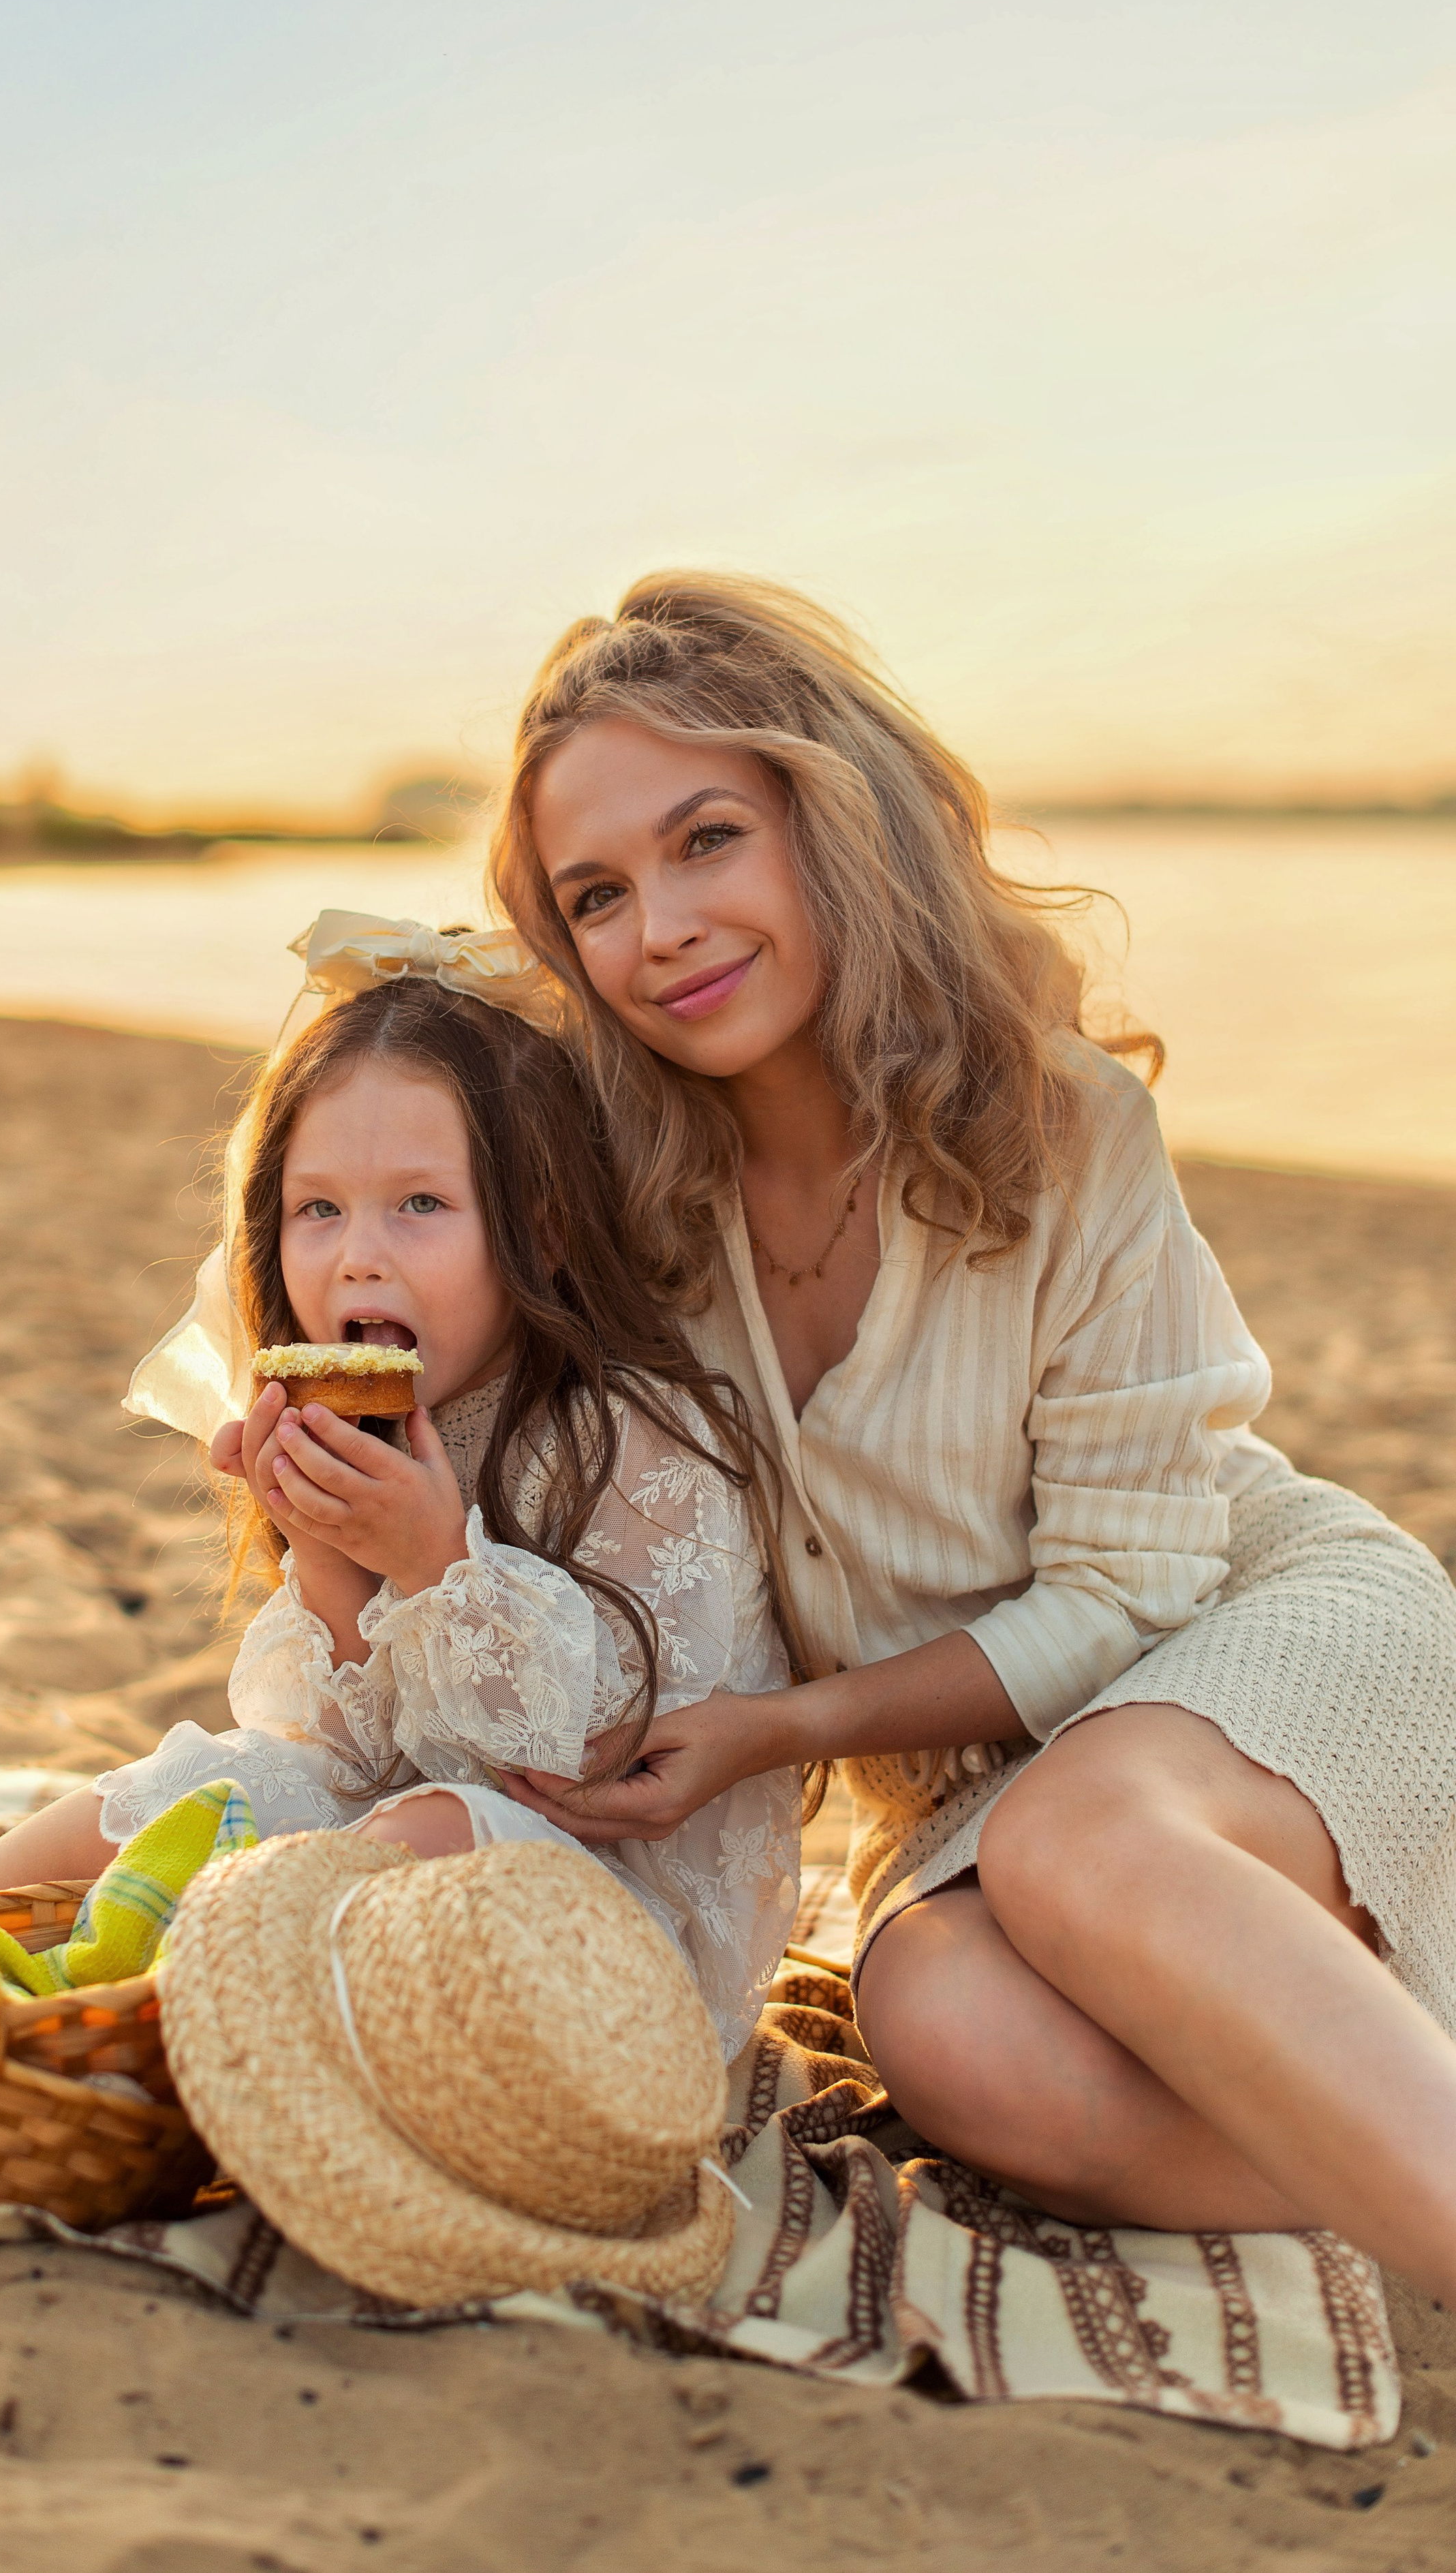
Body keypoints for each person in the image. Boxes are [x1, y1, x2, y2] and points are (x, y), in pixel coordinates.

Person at [484, 571, 1456, 2299]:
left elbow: (1125, 1584)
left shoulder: (1062, 1124)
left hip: (1230, 1624)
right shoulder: (619, 1199)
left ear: (829, 821)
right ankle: (1385, 2113)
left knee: (1081, 1845)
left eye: (708, 839)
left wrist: (790, 1723)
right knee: (938, 2032)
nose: (661, 927)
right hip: (959, 1782)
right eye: (597, 895)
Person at [0, 927, 802, 2059]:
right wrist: (329, 1555)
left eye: (419, 1205)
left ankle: (171, 2021)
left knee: (435, 1823)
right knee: (223, 1778)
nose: (357, 1258)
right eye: (319, 1210)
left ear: (540, 1231)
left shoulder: (639, 1441)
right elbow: (347, 1757)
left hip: (615, 1923)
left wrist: (433, 1558)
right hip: (399, 1851)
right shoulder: (357, 1423)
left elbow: (578, 1769)